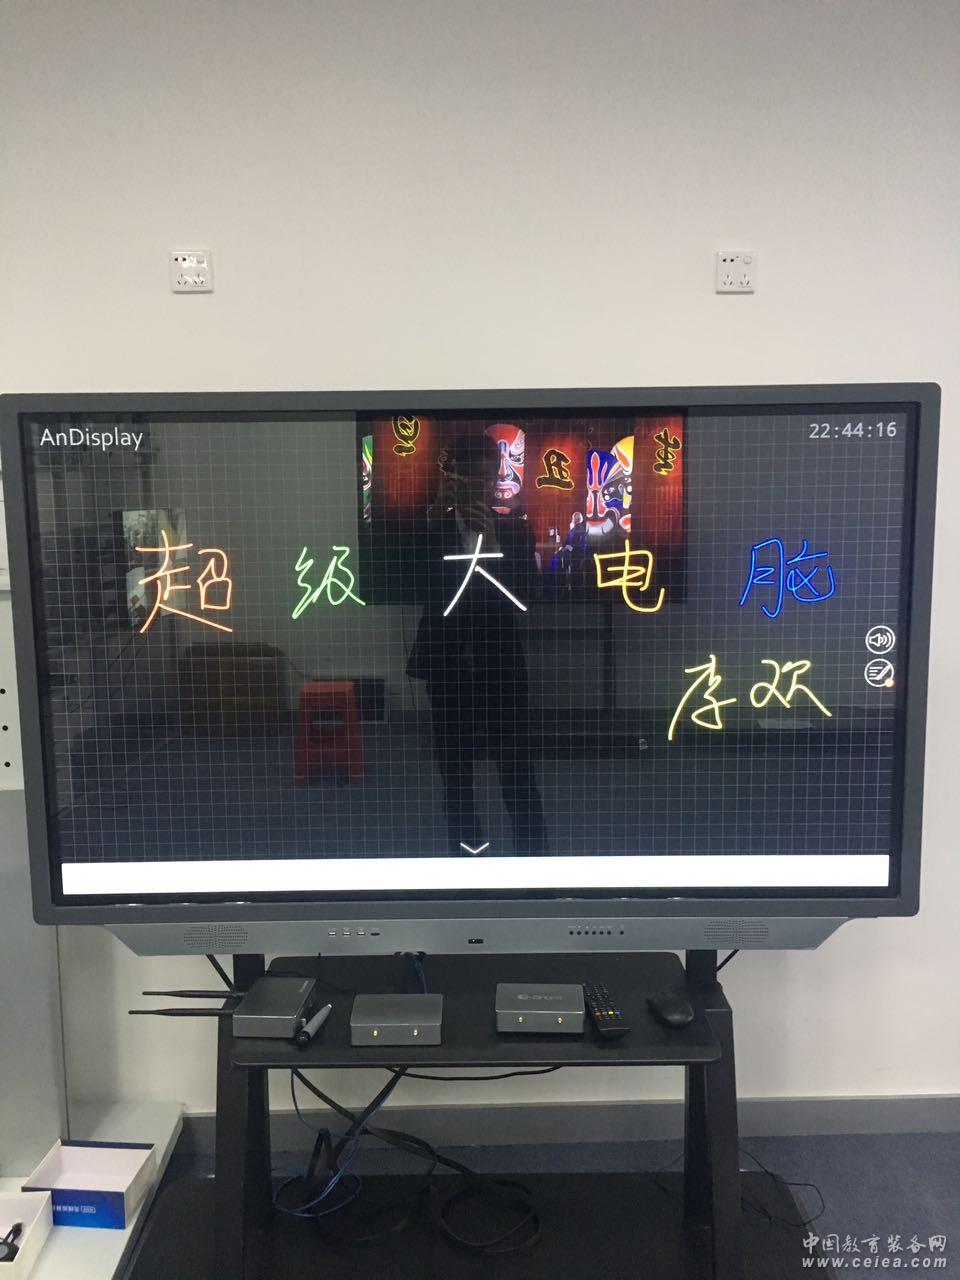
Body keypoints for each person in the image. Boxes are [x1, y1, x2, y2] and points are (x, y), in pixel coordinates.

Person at [406, 432, 549, 855]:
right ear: (450, 479)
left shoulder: (514, 531)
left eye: (484, 479)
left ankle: (535, 868)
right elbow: (413, 586)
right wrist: (433, 518)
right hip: (447, 663)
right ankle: (468, 867)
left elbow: (526, 596)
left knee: (517, 770)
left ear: (495, 480)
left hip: (500, 663)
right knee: (455, 774)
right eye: (465, 479)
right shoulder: (430, 529)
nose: (477, 488)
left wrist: (496, 548)